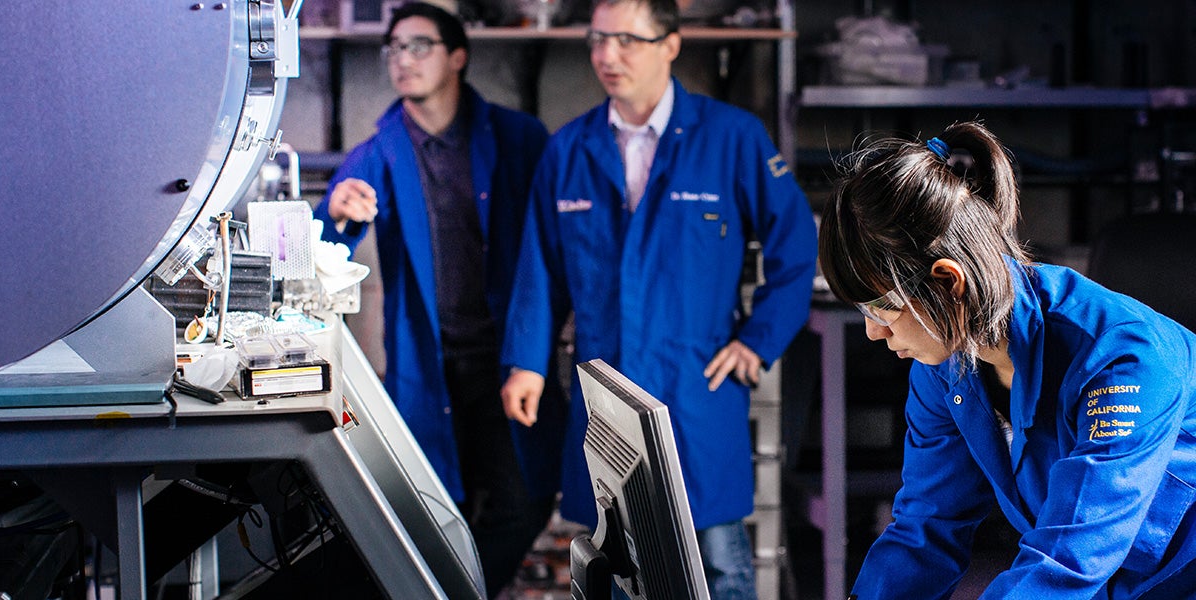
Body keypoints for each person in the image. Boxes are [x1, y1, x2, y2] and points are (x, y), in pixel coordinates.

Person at [499, 0, 818, 595]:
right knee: (614, 564)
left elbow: (796, 246)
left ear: (671, 44)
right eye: (597, 39)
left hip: (696, 385)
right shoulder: (568, 150)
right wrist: (525, 362)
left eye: (626, 39)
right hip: (606, 387)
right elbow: (538, 269)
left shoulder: (731, 138)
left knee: (717, 559)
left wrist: (759, 338)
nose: (607, 55)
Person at [819, 121, 1196, 599]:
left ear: (948, 281)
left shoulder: (1121, 358)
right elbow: (925, 531)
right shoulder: (944, 371)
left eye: (880, 307)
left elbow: (1068, 556)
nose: (874, 331)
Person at [311, 3, 560, 596]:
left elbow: (555, 239)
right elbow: (321, 241)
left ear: (457, 57)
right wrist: (338, 213)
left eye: (419, 45)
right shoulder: (382, 148)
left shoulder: (518, 138)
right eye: (394, 48)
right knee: (436, 508)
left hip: (507, 357)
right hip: (430, 365)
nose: (403, 59)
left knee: (523, 500)